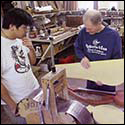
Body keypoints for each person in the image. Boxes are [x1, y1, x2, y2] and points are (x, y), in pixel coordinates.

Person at [1, 8, 40, 124]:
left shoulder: (19, 39)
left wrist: (31, 48)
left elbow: (32, 62)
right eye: (24, 28)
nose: (26, 31)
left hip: (33, 91)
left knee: (38, 120)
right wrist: (12, 105)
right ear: (12, 26)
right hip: (17, 100)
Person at [74, 9, 122, 92]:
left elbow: (116, 59)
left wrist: (105, 76)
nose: (87, 31)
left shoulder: (113, 35)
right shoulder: (83, 32)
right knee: (91, 98)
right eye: (86, 27)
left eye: (90, 29)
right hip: (90, 74)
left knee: (107, 101)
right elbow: (77, 47)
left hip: (107, 77)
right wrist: (82, 57)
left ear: (99, 23)